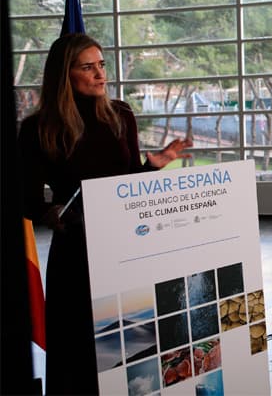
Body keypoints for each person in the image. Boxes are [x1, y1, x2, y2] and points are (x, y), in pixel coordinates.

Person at [19, 33, 193, 394]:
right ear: (64, 75)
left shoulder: (120, 114)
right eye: (88, 67)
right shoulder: (37, 129)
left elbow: (128, 187)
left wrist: (154, 165)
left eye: (101, 65)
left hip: (125, 245)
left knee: (131, 347)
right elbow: (28, 202)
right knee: (79, 351)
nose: (100, 75)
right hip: (76, 251)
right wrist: (54, 213)